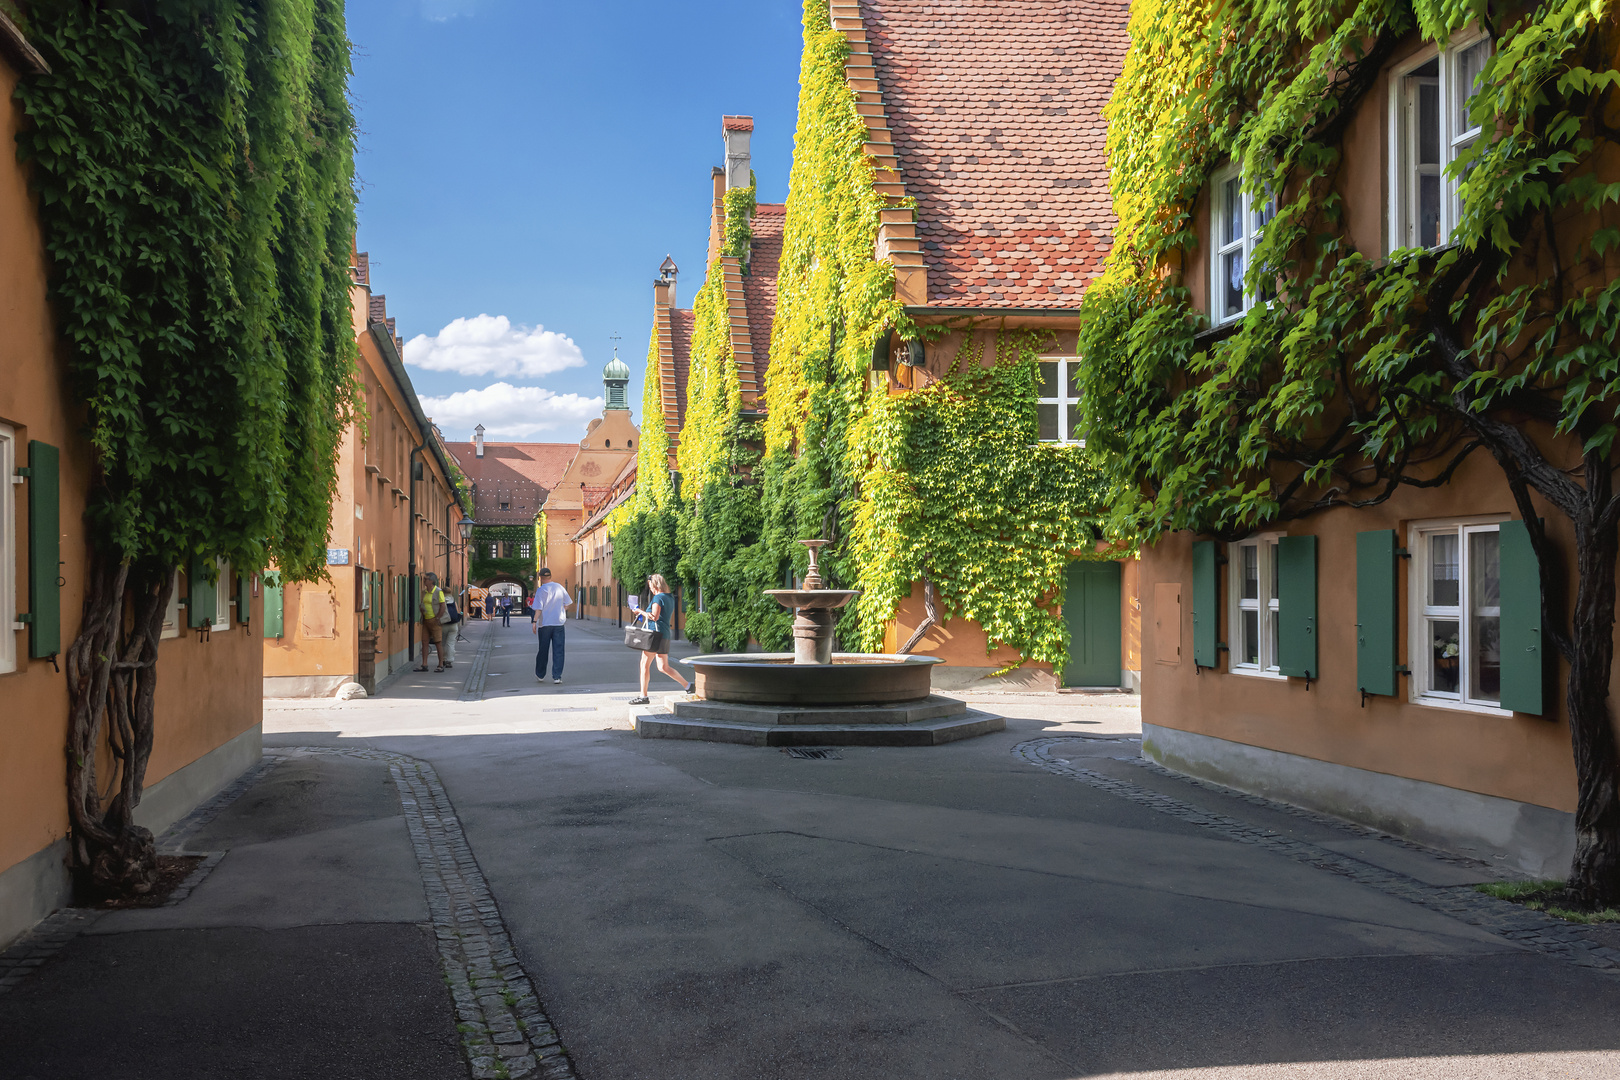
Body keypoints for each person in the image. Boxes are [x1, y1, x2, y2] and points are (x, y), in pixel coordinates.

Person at [627, 573, 691, 705]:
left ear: (655, 584)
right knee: (663, 667)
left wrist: (639, 611)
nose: (649, 587)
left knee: (644, 664)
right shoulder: (669, 597)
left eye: (650, 585)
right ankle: (688, 686)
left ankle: (643, 696)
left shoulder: (658, 598)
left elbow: (653, 617)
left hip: (654, 636)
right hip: (665, 634)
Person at [531, 568, 571, 684]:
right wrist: (561, 610)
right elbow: (568, 603)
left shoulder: (541, 590)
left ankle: (540, 674)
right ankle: (557, 676)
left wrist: (534, 622)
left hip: (545, 624)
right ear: (550, 576)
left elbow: (538, 608)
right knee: (559, 650)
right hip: (558, 623)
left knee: (543, 650)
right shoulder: (559, 587)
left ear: (541, 578)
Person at [415, 571, 446, 672]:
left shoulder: (438, 591)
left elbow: (443, 605)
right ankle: (424, 664)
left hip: (434, 620)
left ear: (432, 581)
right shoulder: (424, 592)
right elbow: (422, 603)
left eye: (426, 579)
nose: (424, 581)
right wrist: (421, 609)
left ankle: (440, 664)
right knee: (424, 642)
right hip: (426, 620)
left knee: (438, 642)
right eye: (424, 579)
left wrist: (438, 618)